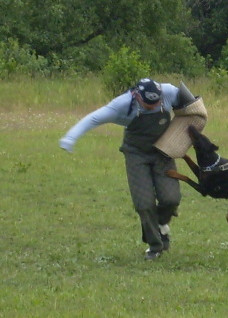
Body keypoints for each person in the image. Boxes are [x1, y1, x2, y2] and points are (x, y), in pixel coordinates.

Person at [60, 78, 190, 260]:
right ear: (137, 96)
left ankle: (161, 225)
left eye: (156, 103)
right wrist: (70, 138)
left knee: (171, 198)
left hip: (163, 152)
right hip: (136, 154)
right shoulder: (121, 105)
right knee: (144, 204)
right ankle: (155, 246)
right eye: (148, 104)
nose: (153, 107)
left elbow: (192, 108)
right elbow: (93, 119)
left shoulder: (168, 91)